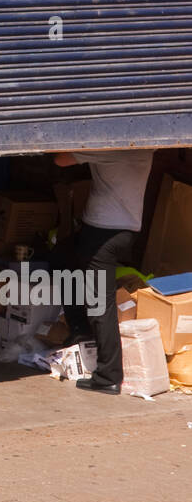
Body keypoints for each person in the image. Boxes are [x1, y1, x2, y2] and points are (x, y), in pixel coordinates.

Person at [51, 148, 154, 394]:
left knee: (100, 305)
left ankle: (108, 375)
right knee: (66, 261)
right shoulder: (147, 147)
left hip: (102, 234)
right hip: (128, 231)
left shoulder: (108, 148)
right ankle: (80, 331)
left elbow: (60, 159)